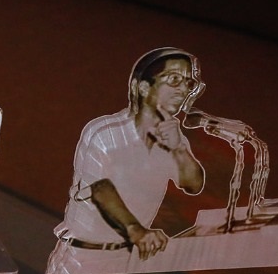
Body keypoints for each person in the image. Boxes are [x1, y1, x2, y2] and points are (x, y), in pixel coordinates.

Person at [56, 47, 206, 260]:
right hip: (82, 255)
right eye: (174, 79)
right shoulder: (104, 132)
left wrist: (178, 149)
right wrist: (136, 230)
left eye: (189, 83)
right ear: (144, 87)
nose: (184, 90)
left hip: (127, 257)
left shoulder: (174, 136)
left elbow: (193, 185)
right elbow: (100, 188)